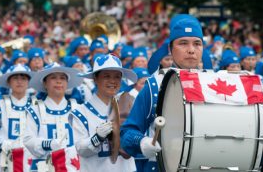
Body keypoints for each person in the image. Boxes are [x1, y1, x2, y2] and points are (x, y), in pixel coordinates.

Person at [120, 14, 204, 165]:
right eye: (183, 43)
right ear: (171, 49)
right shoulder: (155, 85)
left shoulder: (213, 83)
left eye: (197, 44)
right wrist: (142, 142)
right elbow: (127, 133)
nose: (191, 50)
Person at [69, 53, 138, 172]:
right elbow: (80, 149)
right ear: (95, 79)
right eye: (106, 76)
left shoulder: (130, 108)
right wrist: (97, 138)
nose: (113, 81)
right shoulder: (80, 113)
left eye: (117, 77)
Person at [24, 63, 83, 171]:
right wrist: (48, 143)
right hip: (43, 167)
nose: (59, 81)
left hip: (73, 167)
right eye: (53, 77)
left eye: (62, 78)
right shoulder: (34, 110)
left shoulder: (79, 110)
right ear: (45, 83)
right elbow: (28, 140)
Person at [0, 64, 34, 172]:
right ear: (8, 82)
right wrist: (3, 144)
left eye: (23, 78)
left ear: (28, 82)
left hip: (30, 157)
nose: (19, 81)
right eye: (15, 78)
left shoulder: (37, 105)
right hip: (5, 157)